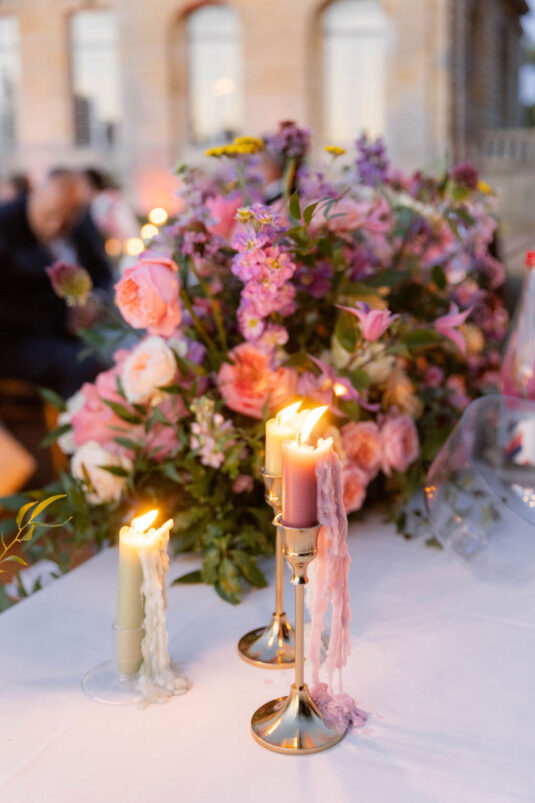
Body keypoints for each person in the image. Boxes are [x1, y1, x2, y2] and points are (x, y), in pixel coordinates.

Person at [0, 169, 112, 398]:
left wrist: (96, 299)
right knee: (85, 366)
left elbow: (102, 271)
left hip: (83, 327)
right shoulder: (5, 225)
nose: (56, 226)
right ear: (36, 193)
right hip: (19, 338)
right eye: (49, 214)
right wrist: (65, 316)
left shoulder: (80, 219)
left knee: (127, 352)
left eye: (68, 218)